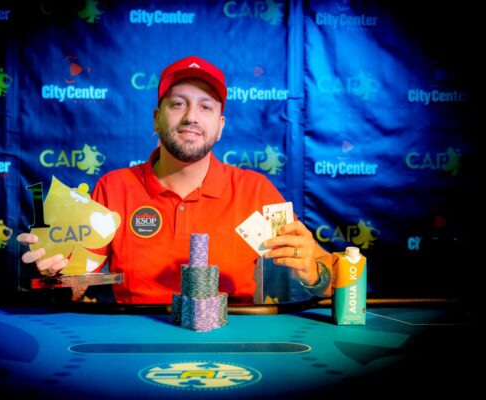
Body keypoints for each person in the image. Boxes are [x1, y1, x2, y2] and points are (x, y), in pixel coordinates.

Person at [17, 55, 333, 304]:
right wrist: (53, 275)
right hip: (135, 346)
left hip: (233, 342)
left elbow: (331, 277)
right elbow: (75, 286)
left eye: (206, 107)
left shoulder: (255, 192)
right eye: (178, 104)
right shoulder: (113, 188)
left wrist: (315, 272)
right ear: (157, 119)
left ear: (220, 126)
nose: (191, 117)